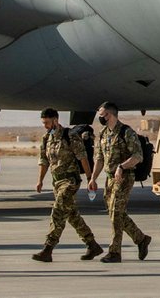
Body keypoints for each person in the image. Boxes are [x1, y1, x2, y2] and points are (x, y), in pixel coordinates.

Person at [33, 109, 104, 262]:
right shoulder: (46, 139)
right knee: (71, 215)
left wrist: (90, 178)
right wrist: (40, 180)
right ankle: (92, 245)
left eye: (47, 122)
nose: (45, 126)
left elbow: (82, 156)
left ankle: (48, 248)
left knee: (57, 212)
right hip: (57, 182)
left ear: (55, 120)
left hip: (70, 181)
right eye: (43, 123)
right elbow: (44, 161)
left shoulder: (69, 135)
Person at [87, 102, 152, 263]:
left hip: (124, 177)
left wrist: (122, 167)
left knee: (116, 212)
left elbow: (138, 156)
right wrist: (93, 178)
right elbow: (100, 158)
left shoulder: (126, 132)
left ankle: (115, 252)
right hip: (110, 179)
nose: (100, 118)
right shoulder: (103, 133)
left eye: (102, 115)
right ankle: (141, 239)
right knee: (116, 214)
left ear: (110, 115)